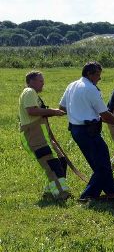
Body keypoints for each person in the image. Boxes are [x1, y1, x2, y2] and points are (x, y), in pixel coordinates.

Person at [59, 61, 114, 200]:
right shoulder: (90, 89)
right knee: (103, 165)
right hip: (89, 131)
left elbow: (62, 108)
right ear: (89, 74)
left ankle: (112, 192)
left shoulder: (71, 85)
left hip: (76, 130)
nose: (100, 78)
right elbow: (105, 115)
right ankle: (88, 196)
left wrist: (78, 112)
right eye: (97, 74)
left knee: (99, 163)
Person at [19, 71, 70, 200]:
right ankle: (61, 194)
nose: (43, 83)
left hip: (42, 136)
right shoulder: (29, 92)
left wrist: (54, 112)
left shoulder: (32, 93)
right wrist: (53, 111)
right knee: (52, 164)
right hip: (35, 136)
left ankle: (50, 192)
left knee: (61, 161)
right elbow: (32, 111)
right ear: (31, 81)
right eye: (40, 81)